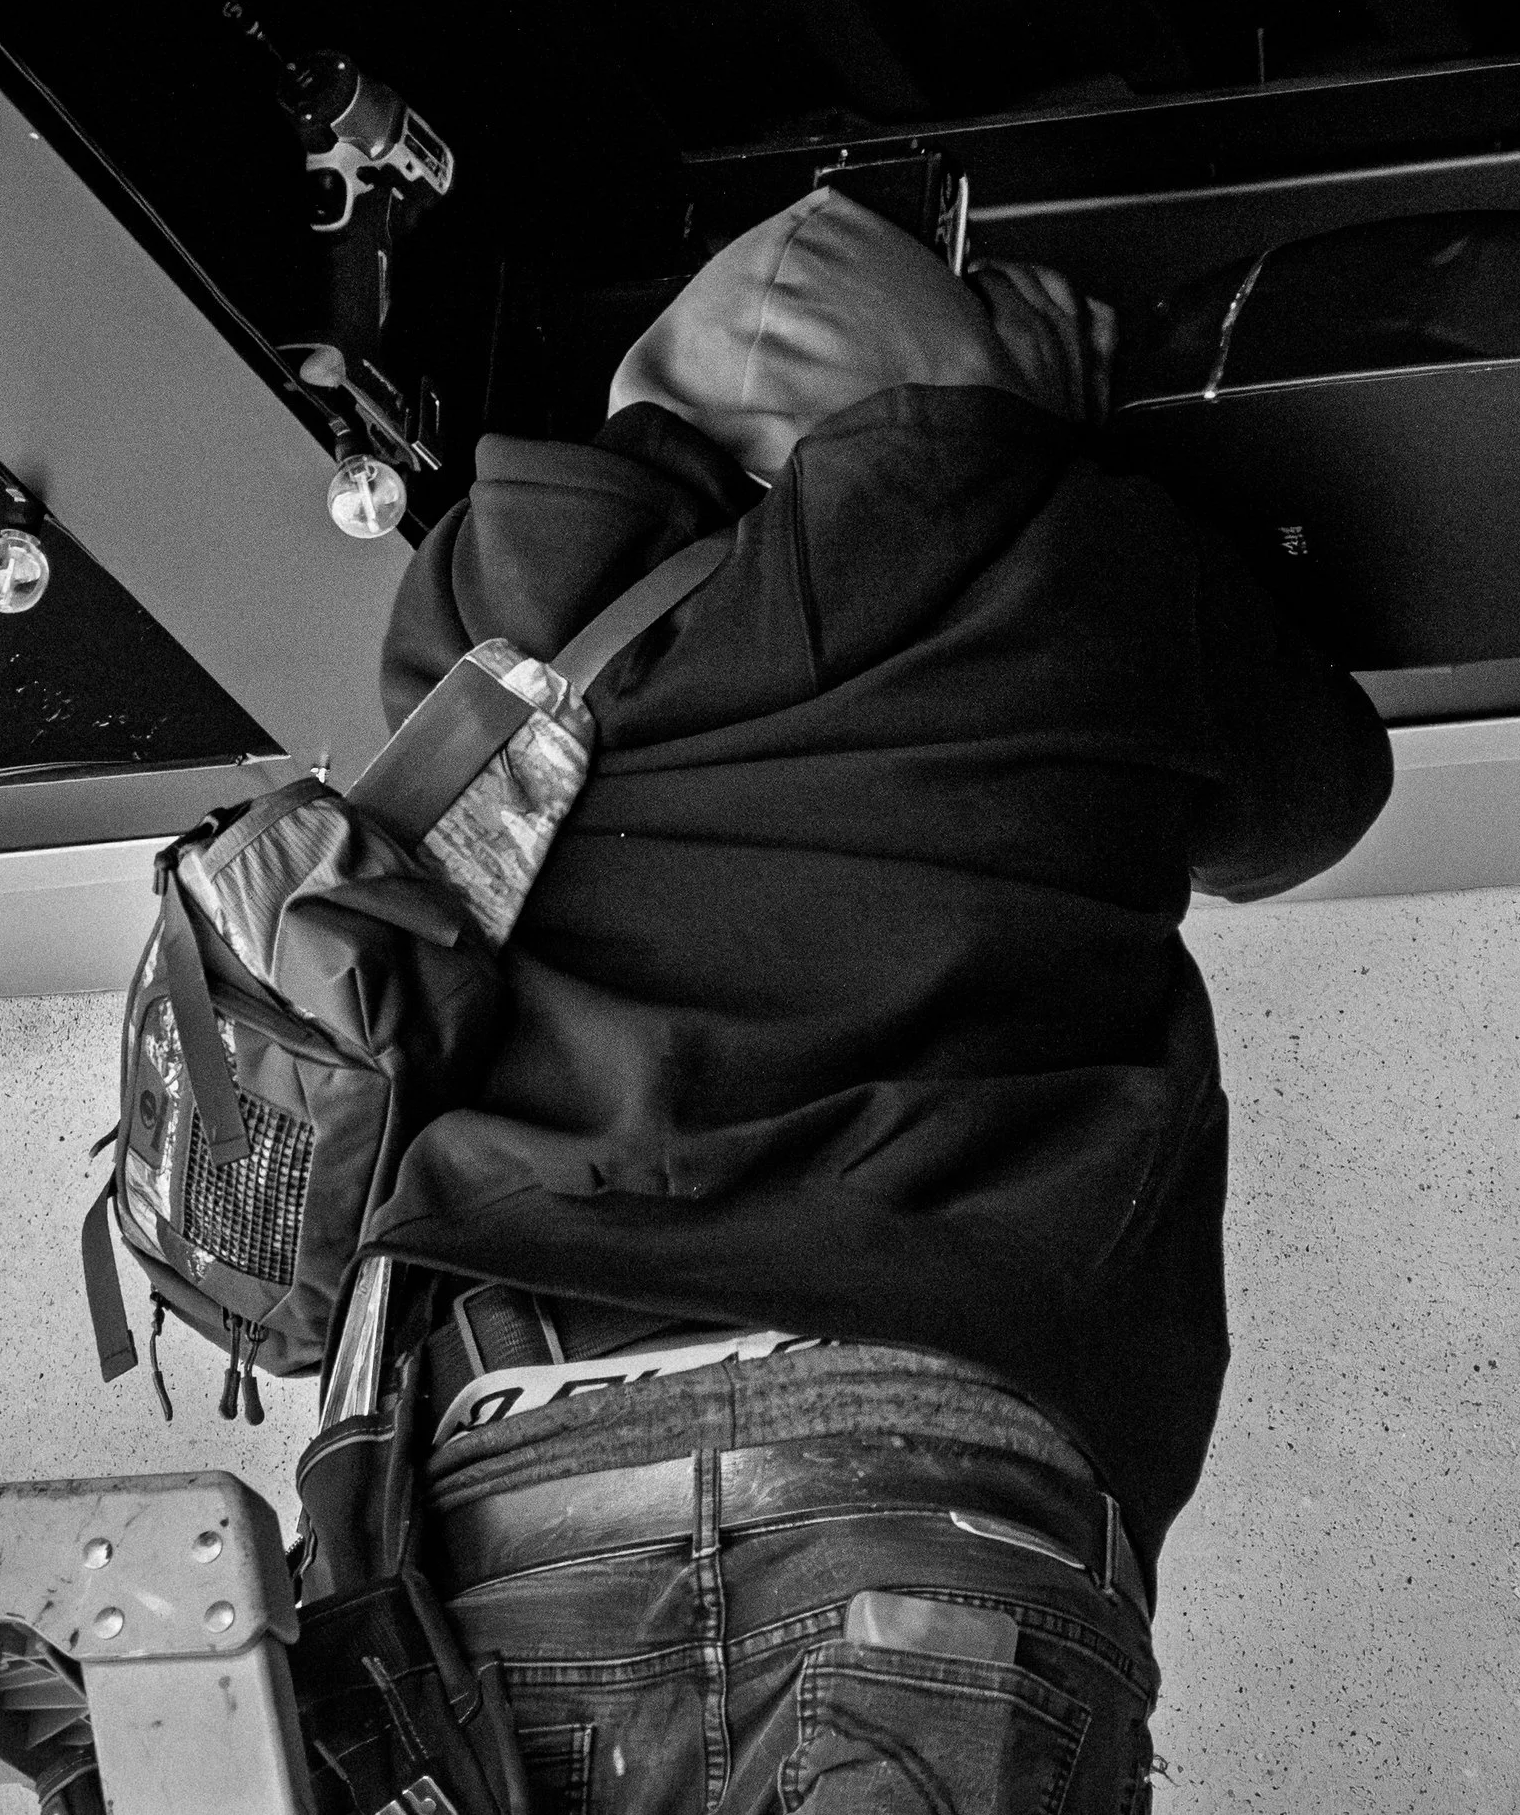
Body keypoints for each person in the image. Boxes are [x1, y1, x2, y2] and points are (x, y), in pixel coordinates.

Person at [359, 187, 1394, 1813]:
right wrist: (1050, 451)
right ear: (953, 393)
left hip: (525, 1450)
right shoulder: (1084, 556)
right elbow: (1314, 803)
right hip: (927, 1436)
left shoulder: (493, 601)